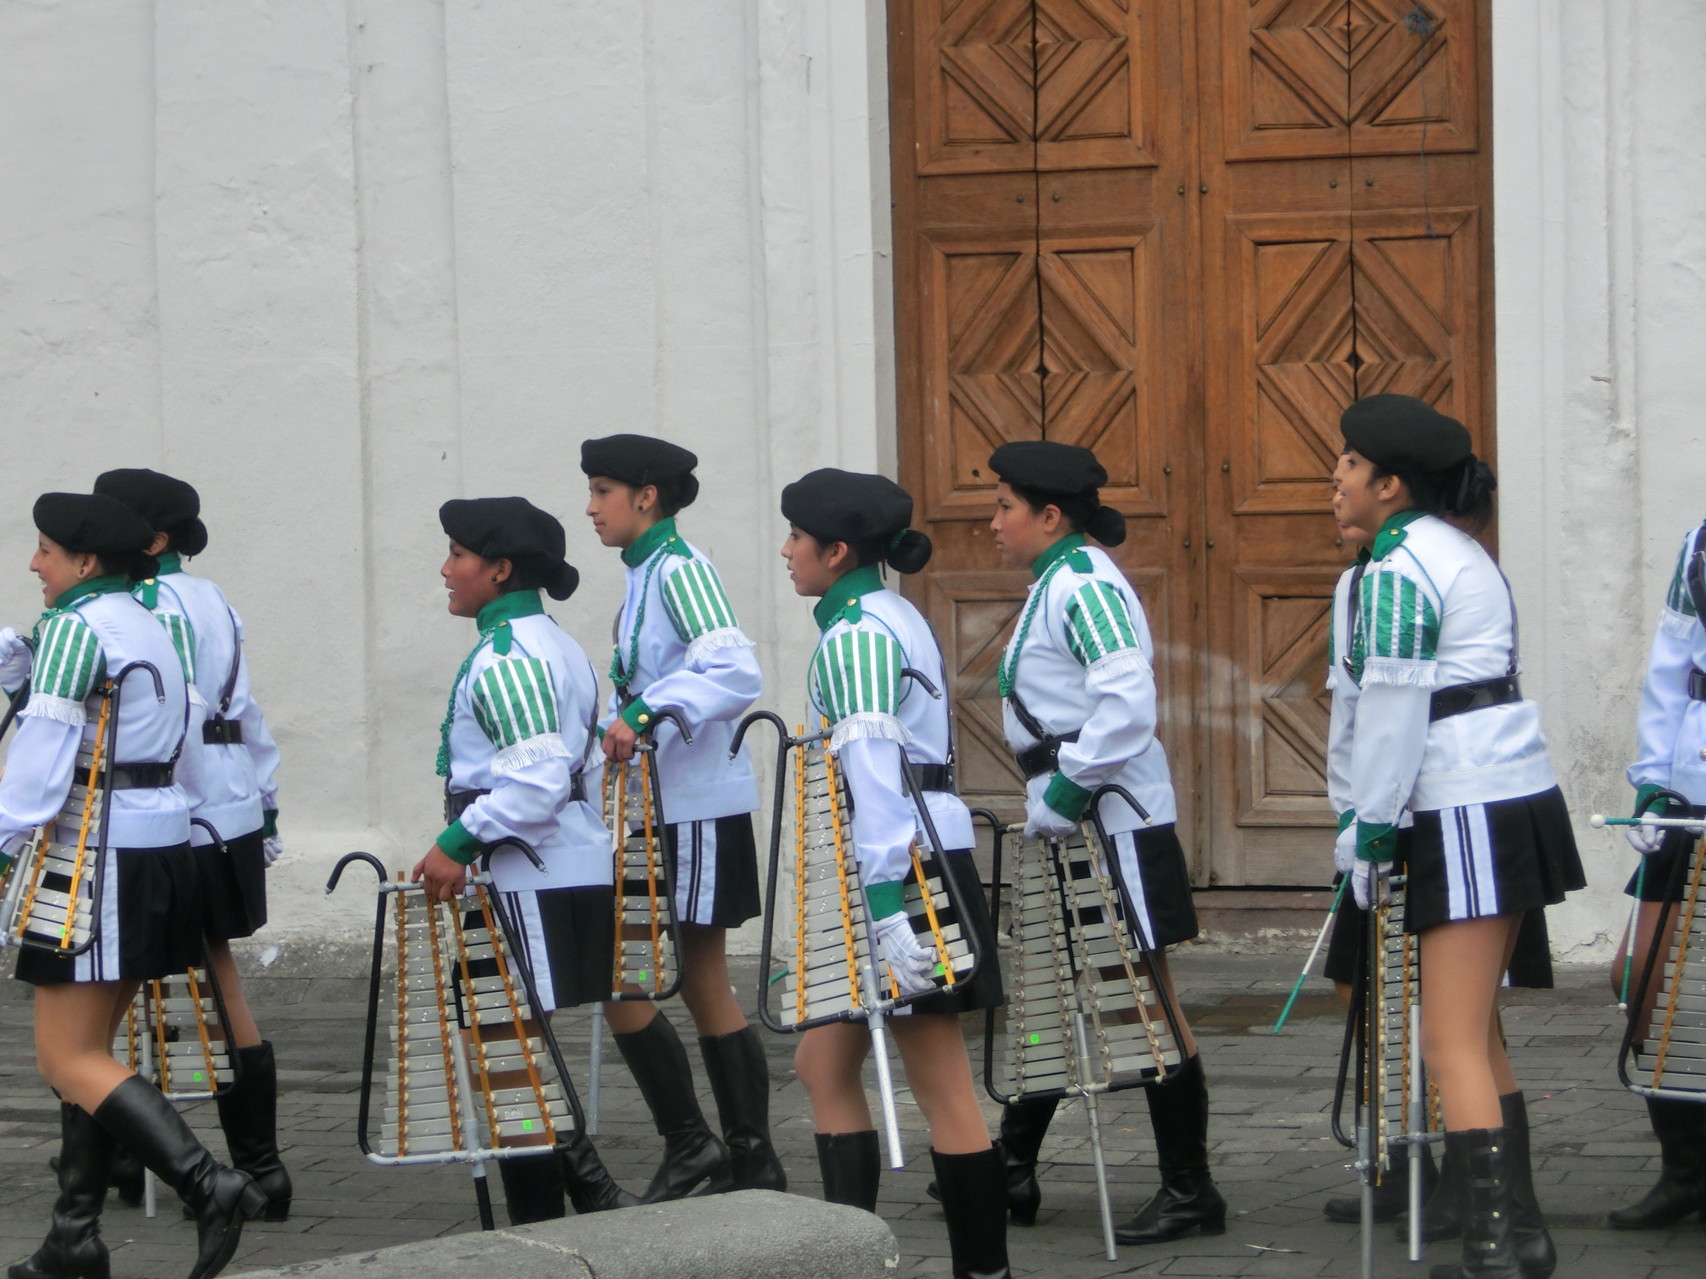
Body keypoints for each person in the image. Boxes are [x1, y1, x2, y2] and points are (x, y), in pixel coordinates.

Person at [1330, 394, 1584, 1279]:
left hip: (1466, 800)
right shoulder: (1443, 551)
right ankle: (1520, 1237)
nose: (1336, 477)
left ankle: (1490, 1254)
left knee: (1447, 1042)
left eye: (1350, 464)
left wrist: (1369, 830)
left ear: (1390, 484)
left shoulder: (1404, 566)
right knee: (1478, 1034)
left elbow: (1394, 715)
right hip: (1494, 795)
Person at [0, 492, 264, 1279]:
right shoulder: (147, 620)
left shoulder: (80, 628)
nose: (34, 564)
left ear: (84, 561)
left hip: (95, 853)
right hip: (156, 844)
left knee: (65, 1056)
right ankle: (73, 1236)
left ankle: (209, 1181)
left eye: (45, 550)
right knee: (93, 1048)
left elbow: (43, 754)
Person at [985, 440, 1224, 1246]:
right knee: (1057, 983)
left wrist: (1070, 782)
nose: (993, 522)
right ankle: (1011, 1162)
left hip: (1109, 814)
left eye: (1004, 506)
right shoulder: (1057, 581)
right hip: (1074, 813)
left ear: (1049, 515)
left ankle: (1190, 1187)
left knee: (1140, 997)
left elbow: (1127, 698)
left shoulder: (1084, 582)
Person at [779, 467, 1010, 1279]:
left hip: (901, 865)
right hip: (902, 857)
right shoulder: (886, 612)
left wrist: (885, 909)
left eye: (796, 539)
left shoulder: (857, 636)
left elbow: (876, 780)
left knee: (942, 1083)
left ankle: (984, 1273)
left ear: (836, 550)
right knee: (822, 1063)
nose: (786, 551)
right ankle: (851, 1258)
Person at [411, 496, 637, 1223]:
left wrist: (456, 842)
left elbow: (537, 781)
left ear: (500, 568)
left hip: (517, 868)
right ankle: (585, 1185)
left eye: (459, 555)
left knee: (503, 1050)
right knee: (510, 1037)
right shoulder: (558, 643)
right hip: (555, 860)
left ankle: (539, 1228)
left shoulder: (509, 655)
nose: (447, 569)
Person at [581, 434, 784, 1197]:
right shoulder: (645, 574)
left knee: (657, 976)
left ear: (646, 496)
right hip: (661, 802)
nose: (592, 506)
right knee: (687, 979)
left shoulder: (681, 569)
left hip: (692, 806)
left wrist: (646, 707)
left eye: (604, 489)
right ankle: (738, 1153)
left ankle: (717, 1147)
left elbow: (734, 668)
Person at [91, 468, 292, 1220]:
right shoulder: (211, 598)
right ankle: (256, 1167)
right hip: (228, 806)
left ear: (152, 537)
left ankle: (121, 1138)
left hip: (178, 813)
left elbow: (167, 721)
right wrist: (264, 809)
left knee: (108, 978)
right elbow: (246, 713)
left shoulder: (144, 605)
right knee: (213, 972)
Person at [1610, 515, 1706, 1229]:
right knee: (1640, 974)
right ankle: (1687, 1169)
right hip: (1691, 788)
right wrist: (1652, 779)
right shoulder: (1701, 540)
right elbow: (1671, 658)